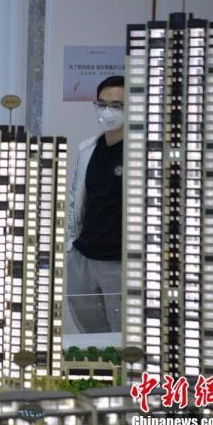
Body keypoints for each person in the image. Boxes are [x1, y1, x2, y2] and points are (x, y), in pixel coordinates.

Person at [66, 75, 125, 333]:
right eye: (102, 104)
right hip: (84, 258)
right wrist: (71, 247)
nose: (107, 111)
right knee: (90, 336)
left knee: (125, 338)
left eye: (117, 105)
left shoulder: (146, 153)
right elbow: (75, 200)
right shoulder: (88, 148)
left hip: (121, 262)